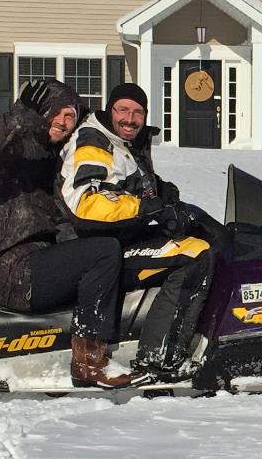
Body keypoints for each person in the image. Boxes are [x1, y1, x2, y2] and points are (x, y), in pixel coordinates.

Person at [0, 79, 142, 389]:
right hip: (9, 269)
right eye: (55, 113)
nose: (63, 121)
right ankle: (89, 363)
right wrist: (18, 118)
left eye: (70, 116)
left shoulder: (51, 159)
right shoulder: (14, 149)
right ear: (40, 115)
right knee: (103, 252)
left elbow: (68, 219)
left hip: (32, 261)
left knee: (105, 249)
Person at [60, 83, 214, 382]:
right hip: (96, 248)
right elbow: (87, 203)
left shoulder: (120, 141)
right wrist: (148, 208)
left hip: (119, 240)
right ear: (110, 110)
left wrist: (163, 193)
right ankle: (159, 358)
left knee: (198, 239)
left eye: (138, 112)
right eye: (123, 110)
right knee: (194, 255)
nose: (130, 119)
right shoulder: (94, 142)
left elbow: (127, 183)